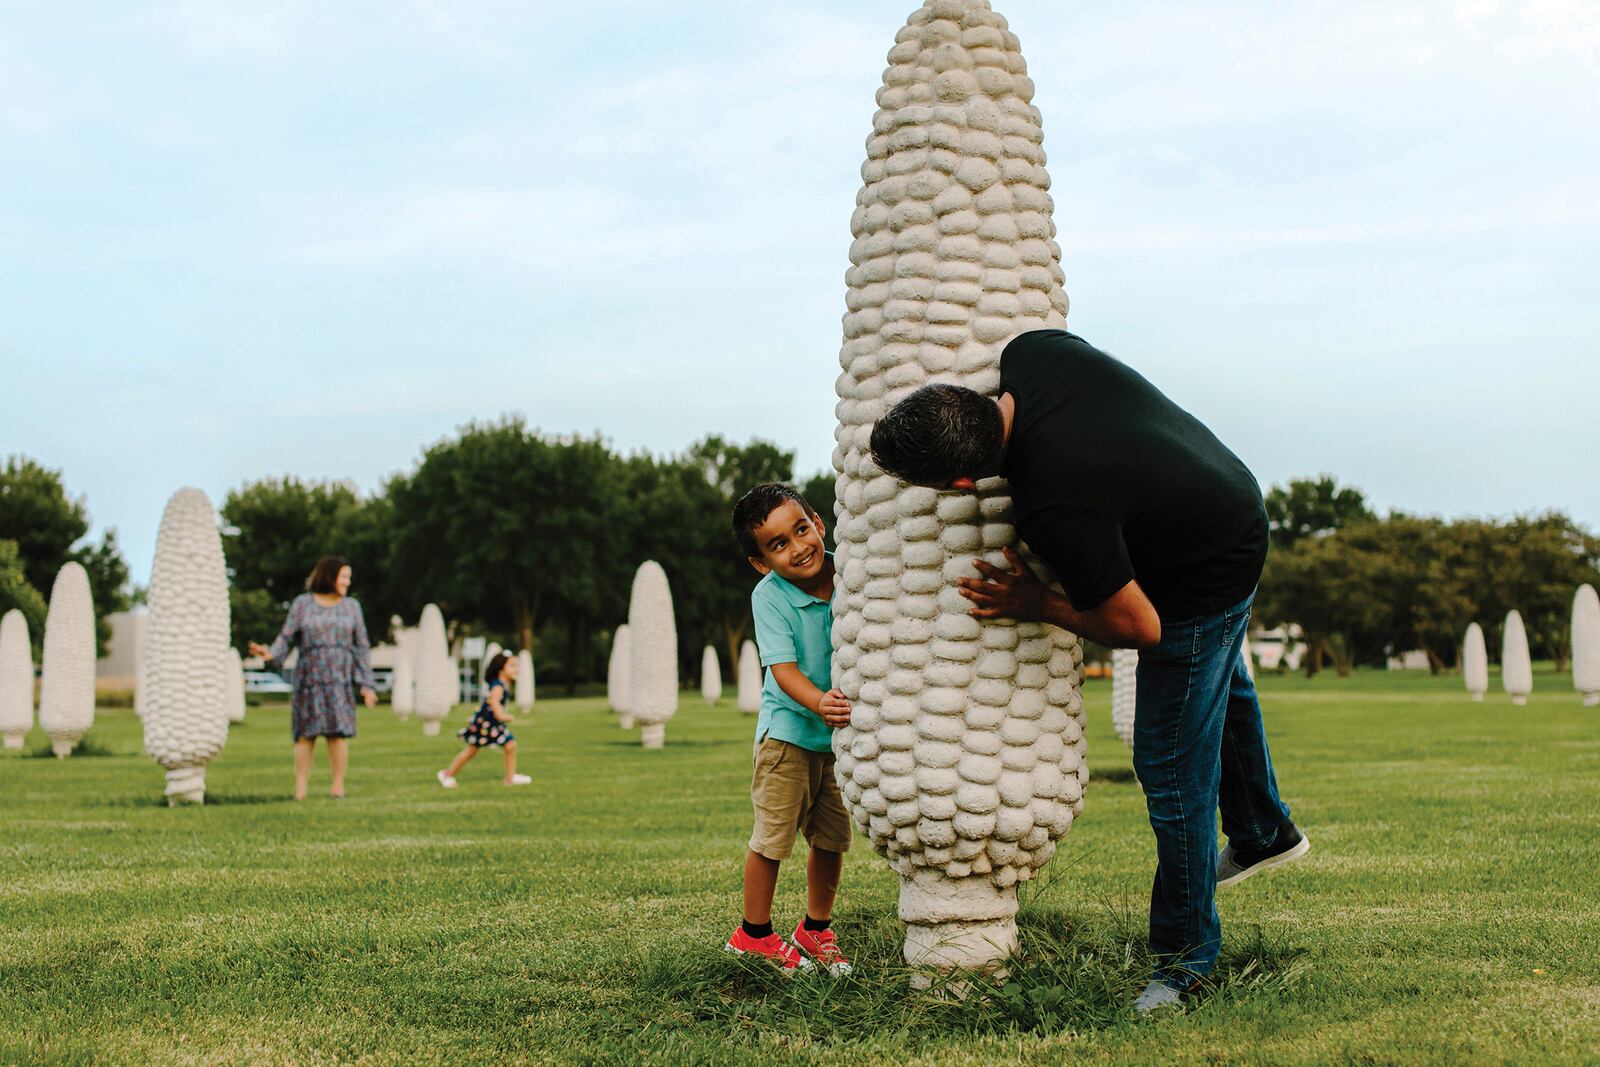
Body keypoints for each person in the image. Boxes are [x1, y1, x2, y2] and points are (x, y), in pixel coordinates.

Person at [868, 328, 1309, 1012]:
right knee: (1218, 685)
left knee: (1171, 770)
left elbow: (1141, 627)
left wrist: (1035, 600)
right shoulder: (1034, 352)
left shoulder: (1053, 505)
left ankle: (1185, 962)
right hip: (1228, 495)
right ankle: (1263, 830)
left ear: (961, 482)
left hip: (1204, 572)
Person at [723, 483, 854, 975]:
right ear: (761, 562)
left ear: (818, 523)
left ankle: (815, 929)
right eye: (778, 544)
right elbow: (784, 670)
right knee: (773, 838)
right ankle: (753, 934)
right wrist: (819, 701)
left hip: (837, 737)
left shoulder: (852, 570)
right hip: (788, 735)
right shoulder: (770, 598)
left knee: (832, 838)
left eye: (801, 530)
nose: (798, 547)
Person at [248, 555, 376, 801]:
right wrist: (270, 654)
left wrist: (366, 684)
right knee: (305, 734)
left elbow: (361, 646)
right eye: (343, 577)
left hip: (340, 677)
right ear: (329, 576)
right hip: (310, 679)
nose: (347, 582)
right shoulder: (302, 604)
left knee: (337, 733)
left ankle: (337, 787)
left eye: (348, 577)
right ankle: (301, 790)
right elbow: (286, 638)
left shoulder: (351, 607)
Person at [437, 651, 531, 788]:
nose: (516, 669)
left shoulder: (500, 683)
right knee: (472, 750)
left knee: (509, 745)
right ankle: (447, 774)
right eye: (512, 665)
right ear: (501, 668)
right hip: (487, 723)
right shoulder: (498, 685)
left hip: (491, 723)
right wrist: (501, 715)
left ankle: (510, 778)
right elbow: (493, 701)